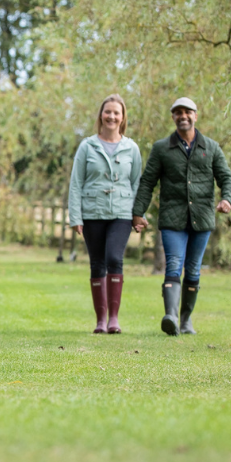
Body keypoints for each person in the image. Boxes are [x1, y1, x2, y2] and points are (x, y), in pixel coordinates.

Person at [131, 97, 231, 336]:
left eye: (187, 112)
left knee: (194, 269)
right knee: (174, 264)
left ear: (196, 116)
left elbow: (227, 178)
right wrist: (138, 213)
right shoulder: (161, 148)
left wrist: (227, 199)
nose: (183, 116)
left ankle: (186, 321)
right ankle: (171, 316)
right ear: (173, 117)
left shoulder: (211, 147)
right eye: (178, 112)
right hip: (172, 218)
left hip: (203, 218)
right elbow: (148, 182)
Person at [68, 95, 142, 334]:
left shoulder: (131, 148)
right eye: (107, 112)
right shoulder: (87, 146)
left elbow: (137, 183)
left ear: (123, 118)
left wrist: (139, 213)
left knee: (114, 258)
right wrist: (75, 217)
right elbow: (76, 183)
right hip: (92, 212)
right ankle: (101, 320)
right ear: (101, 115)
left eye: (116, 113)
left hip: (122, 212)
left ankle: (114, 319)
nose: (111, 116)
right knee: (97, 263)